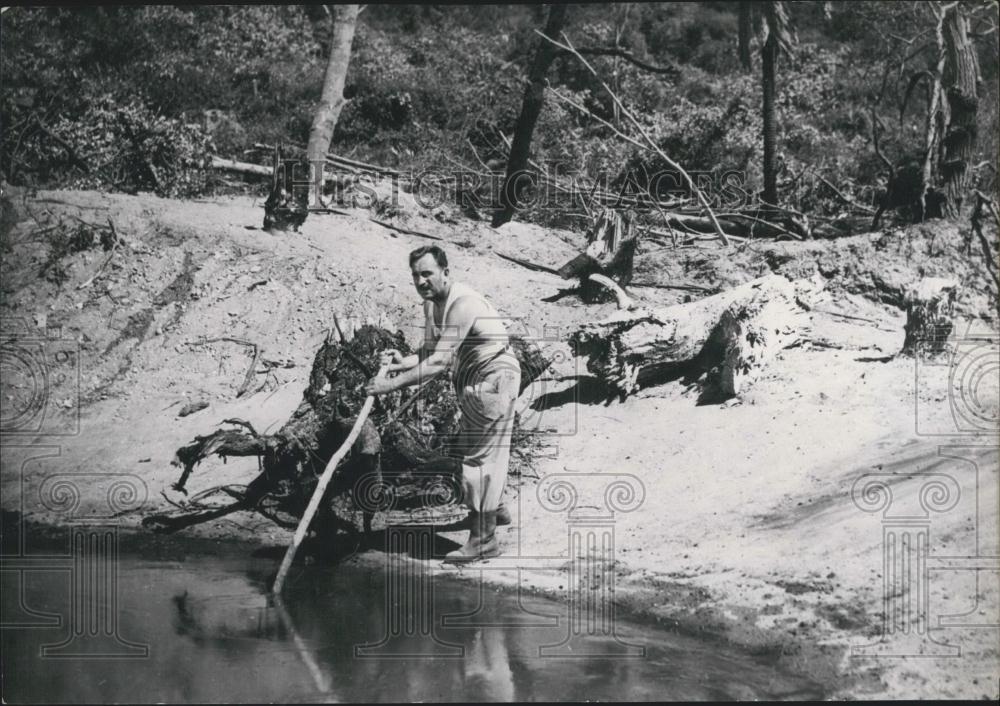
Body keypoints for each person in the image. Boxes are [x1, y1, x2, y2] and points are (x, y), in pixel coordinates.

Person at [365, 245, 520, 562]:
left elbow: (438, 363)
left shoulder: (462, 304)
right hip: (476, 383)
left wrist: (388, 385)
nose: (421, 281)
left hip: (493, 380)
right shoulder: (432, 305)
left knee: (479, 461)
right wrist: (399, 363)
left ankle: (484, 540)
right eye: (416, 276)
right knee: (475, 452)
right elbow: (428, 352)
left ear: (445, 273)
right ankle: (497, 512)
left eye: (427, 273)